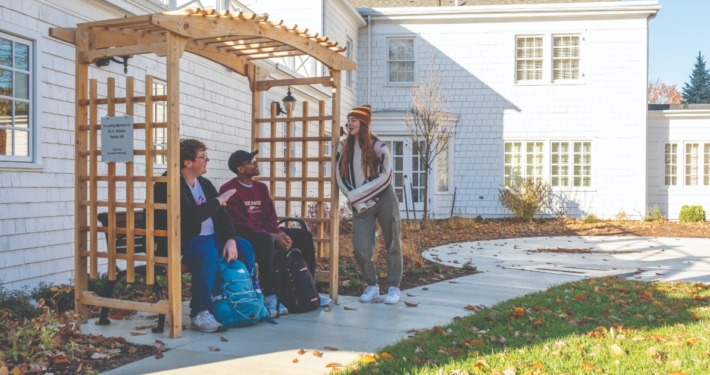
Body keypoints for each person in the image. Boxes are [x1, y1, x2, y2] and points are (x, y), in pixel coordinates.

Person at [153, 139, 259, 332]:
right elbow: (191, 218)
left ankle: (250, 299)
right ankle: (200, 312)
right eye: (202, 157)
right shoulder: (168, 184)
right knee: (207, 253)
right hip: (183, 240)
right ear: (188, 162)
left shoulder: (204, 183)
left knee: (245, 247)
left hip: (211, 238)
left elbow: (222, 216)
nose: (207, 160)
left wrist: (230, 239)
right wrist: (219, 200)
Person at [219, 149, 331, 317]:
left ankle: (308, 287)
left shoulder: (261, 188)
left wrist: (279, 233)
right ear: (240, 169)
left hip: (266, 231)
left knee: (303, 236)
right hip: (244, 235)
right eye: (251, 162)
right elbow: (239, 223)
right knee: (265, 240)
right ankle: (269, 294)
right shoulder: (229, 189)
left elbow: (270, 216)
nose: (256, 163)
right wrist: (272, 236)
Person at [335, 105, 403, 304]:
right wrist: (355, 197)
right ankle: (372, 286)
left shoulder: (378, 146)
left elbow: (386, 177)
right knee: (360, 248)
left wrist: (356, 195)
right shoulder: (344, 147)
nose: (349, 123)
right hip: (361, 204)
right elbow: (340, 176)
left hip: (384, 199)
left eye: (354, 120)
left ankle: (394, 286)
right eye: (348, 120)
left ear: (363, 123)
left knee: (393, 242)